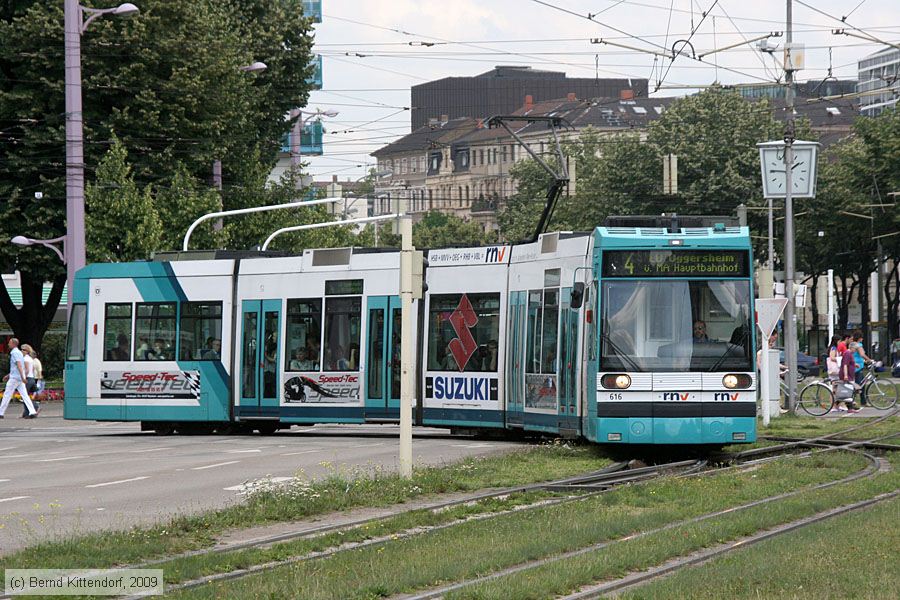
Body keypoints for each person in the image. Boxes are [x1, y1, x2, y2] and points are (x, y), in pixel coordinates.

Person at [0, 338, 38, 419]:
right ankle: (32, 411)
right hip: (19, 378)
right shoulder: (19, 353)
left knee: (7, 395)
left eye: (9, 343)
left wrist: (22, 376)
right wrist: (22, 377)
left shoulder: (15, 353)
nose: (8, 344)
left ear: (13, 344)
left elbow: (19, 365)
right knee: (25, 395)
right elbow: (19, 367)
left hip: (15, 378)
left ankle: (1, 412)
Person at [836, 340, 860, 413]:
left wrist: (855, 364)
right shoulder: (848, 353)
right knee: (849, 391)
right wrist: (846, 375)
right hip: (847, 375)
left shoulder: (849, 354)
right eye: (855, 349)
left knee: (849, 390)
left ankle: (840, 404)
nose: (855, 351)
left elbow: (849, 363)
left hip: (850, 375)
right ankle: (849, 408)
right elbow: (845, 365)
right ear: (852, 348)